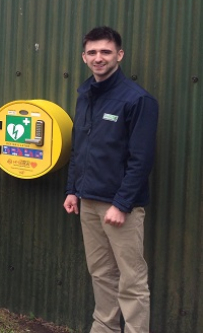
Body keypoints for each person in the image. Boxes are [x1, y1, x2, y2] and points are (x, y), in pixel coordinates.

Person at [64, 26, 158, 333]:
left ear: (119, 55)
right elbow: (79, 148)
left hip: (120, 208)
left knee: (131, 280)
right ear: (84, 57)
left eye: (105, 51)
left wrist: (122, 203)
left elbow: (141, 159)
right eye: (92, 52)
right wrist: (72, 190)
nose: (98, 58)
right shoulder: (85, 94)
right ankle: (104, 328)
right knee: (101, 274)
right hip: (88, 202)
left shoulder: (137, 100)